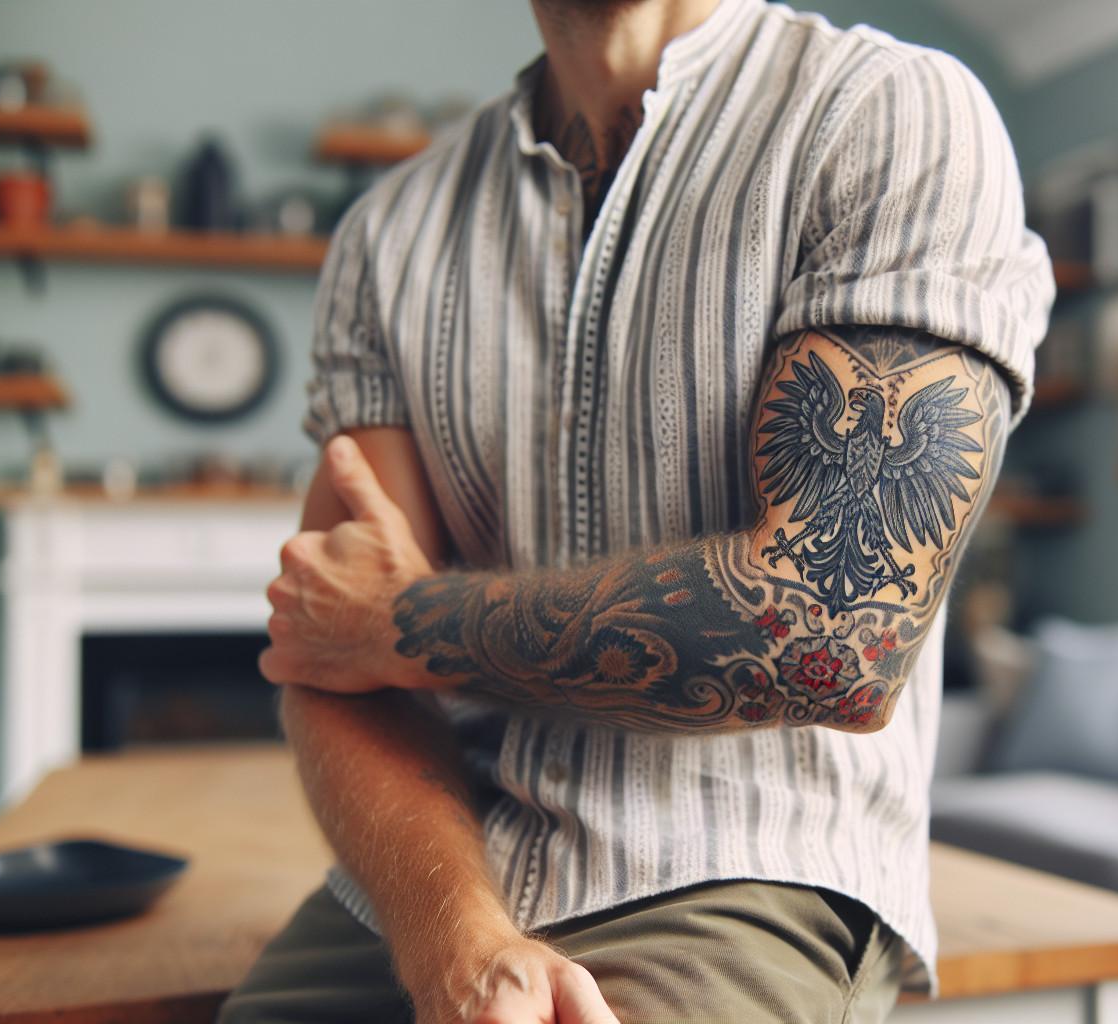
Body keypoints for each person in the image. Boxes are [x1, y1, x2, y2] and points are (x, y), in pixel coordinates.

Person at [219, 0, 1051, 1019]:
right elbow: (327, 654)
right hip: (429, 873)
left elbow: (835, 631)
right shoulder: (389, 232)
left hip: (739, 870)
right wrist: (455, 937)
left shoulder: (888, 116)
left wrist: (404, 622)